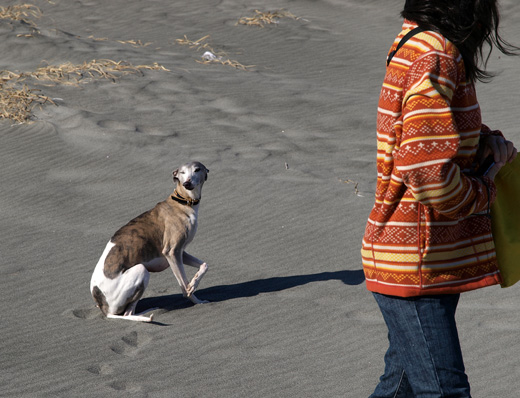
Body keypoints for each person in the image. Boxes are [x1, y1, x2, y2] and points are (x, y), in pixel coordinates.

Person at [361, 1, 518, 396]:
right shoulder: (435, 55)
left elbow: (420, 132)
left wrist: (483, 143)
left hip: (416, 255)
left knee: (401, 387)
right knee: (446, 391)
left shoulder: (415, 38)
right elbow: (428, 173)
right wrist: (484, 190)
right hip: (418, 261)